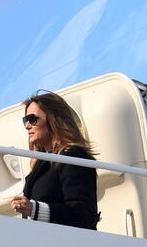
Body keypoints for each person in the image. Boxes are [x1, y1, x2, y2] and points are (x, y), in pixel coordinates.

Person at [10, 92, 99, 229]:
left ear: (53, 119)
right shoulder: (41, 165)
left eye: (32, 119)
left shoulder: (73, 156)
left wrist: (34, 209)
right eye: (25, 120)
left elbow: (84, 214)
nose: (27, 125)